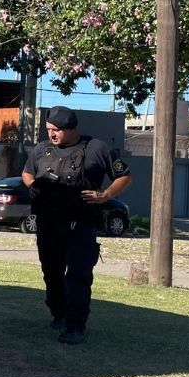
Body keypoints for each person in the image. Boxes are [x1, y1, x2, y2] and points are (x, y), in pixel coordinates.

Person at [22, 106, 131, 345]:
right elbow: (26, 173)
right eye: (48, 129)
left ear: (72, 129)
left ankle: (75, 326)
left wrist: (105, 194)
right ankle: (58, 313)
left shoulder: (97, 148)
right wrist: (33, 187)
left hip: (80, 225)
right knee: (51, 274)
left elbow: (124, 175)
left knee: (78, 276)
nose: (51, 134)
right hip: (49, 224)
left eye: (57, 130)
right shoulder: (42, 149)